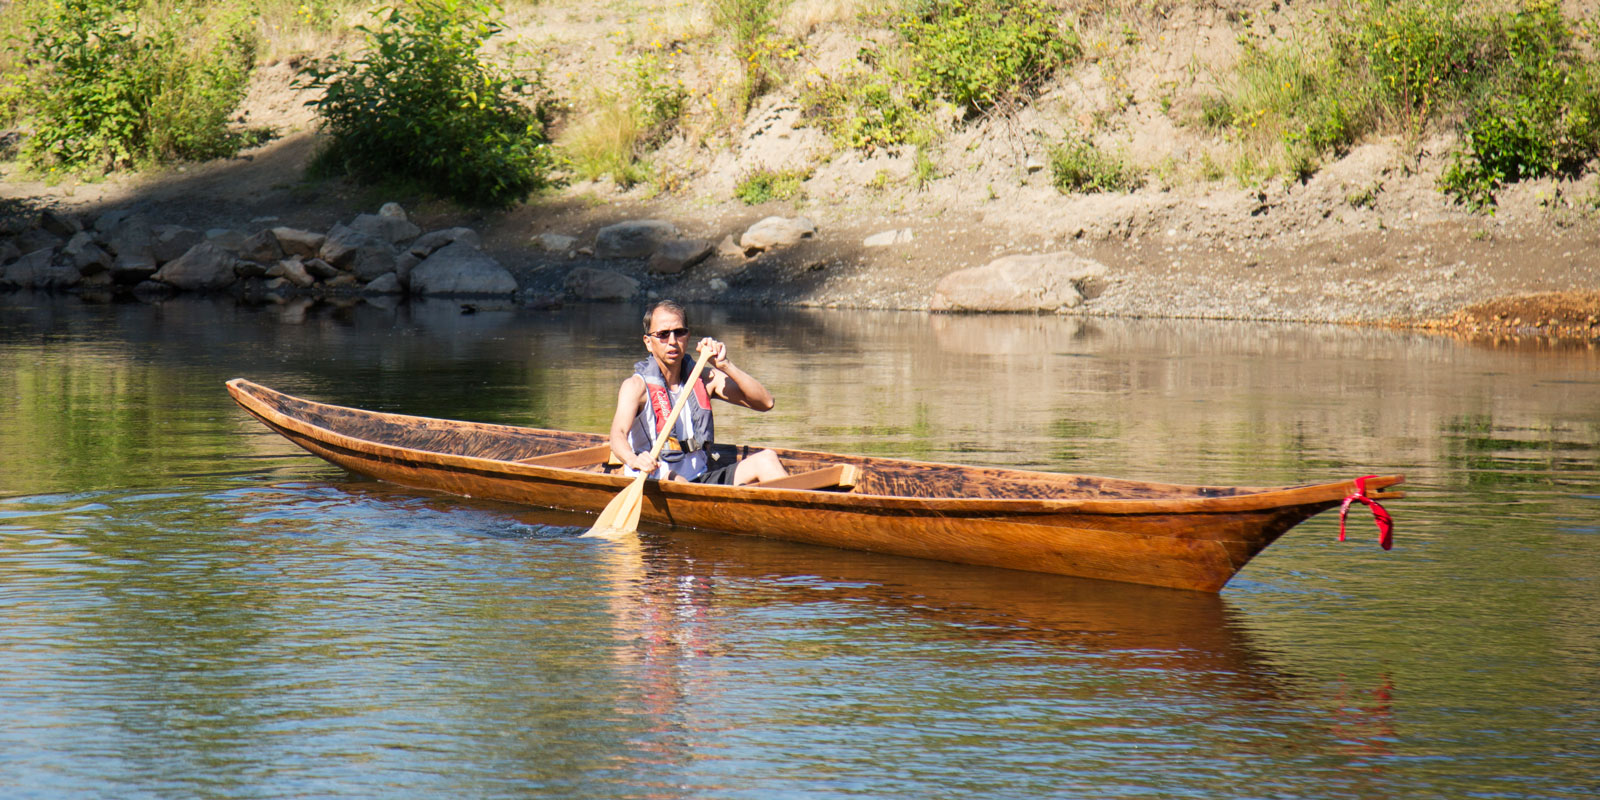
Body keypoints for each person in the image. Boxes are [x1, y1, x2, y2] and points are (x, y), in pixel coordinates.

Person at [607, 299, 788, 485]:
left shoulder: (703, 378)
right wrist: (633, 459)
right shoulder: (636, 387)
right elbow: (617, 435)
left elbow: (766, 402)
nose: (672, 341)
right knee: (676, 479)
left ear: (688, 335)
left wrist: (725, 365)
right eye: (663, 334)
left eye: (679, 332)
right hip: (656, 478)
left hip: (701, 478)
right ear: (648, 342)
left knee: (768, 460)